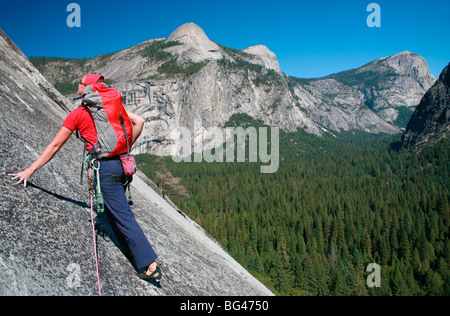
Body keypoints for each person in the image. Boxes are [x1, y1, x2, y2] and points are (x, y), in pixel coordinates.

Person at [9, 74, 161, 281]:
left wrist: (30, 170)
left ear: (86, 88)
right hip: (119, 164)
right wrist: (125, 148)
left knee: (123, 215)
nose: (77, 85)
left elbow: (54, 146)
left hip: (104, 169)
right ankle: (132, 250)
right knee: (114, 211)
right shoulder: (110, 110)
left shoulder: (79, 113)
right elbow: (139, 121)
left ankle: (150, 264)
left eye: (80, 83)